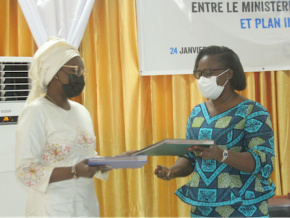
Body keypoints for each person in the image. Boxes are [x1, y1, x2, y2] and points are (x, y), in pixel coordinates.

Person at [154, 46, 275, 217]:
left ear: (229, 74)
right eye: (199, 73)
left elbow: (263, 163)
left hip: (243, 207)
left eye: (209, 72)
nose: (203, 78)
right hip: (202, 207)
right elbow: (190, 157)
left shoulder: (253, 112)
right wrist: (172, 171)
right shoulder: (197, 113)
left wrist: (221, 155)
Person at [15, 37, 111, 216]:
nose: (81, 76)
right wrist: (73, 171)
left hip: (86, 207)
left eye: (83, 71)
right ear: (55, 72)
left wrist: (112, 162)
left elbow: (86, 156)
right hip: (51, 209)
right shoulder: (36, 112)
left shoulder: (82, 111)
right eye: (76, 70)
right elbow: (25, 170)